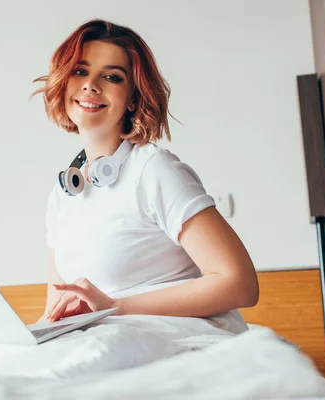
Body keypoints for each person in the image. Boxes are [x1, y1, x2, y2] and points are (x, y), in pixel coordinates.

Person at [32, 19, 259, 334]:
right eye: (80, 71)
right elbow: (56, 310)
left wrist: (116, 308)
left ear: (133, 98)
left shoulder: (155, 171)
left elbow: (240, 284)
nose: (90, 85)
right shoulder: (63, 195)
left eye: (112, 77)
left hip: (175, 342)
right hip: (106, 344)